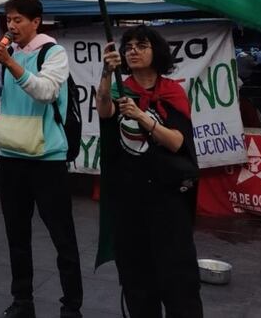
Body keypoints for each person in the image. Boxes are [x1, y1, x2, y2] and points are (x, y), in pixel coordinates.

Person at [0, 0, 82, 318]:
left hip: (47, 161)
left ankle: (71, 305)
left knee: (62, 237)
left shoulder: (54, 53)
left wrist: (9, 62)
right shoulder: (9, 57)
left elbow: (45, 91)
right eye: (8, 20)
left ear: (36, 22)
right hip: (12, 158)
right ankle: (22, 299)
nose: (11, 26)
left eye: (18, 20)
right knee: (16, 236)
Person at [96, 25, 203, 318]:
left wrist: (142, 117)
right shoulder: (119, 87)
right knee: (136, 276)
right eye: (128, 46)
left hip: (167, 199)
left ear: (156, 51)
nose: (133, 51)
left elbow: (177, 142)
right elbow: (104, 110)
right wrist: (106, 73)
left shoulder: (172, 91)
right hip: (130, 197)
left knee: (178, 276)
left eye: (141, 45)